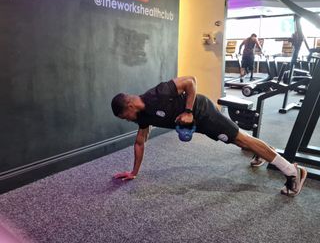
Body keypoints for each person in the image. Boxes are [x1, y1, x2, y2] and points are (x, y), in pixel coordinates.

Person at [111, 76, 307, 197]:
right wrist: (133, 172)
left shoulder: (157, 94)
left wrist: (188, 111)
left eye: (125, 116)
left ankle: (291, 172)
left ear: (129, 106)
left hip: (203, 112)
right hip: (198, 125)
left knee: (240, 139)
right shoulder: (142, 116)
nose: (127, 120)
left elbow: (190, 81)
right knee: (240, 142)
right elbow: (139, 142)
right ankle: (262, 152)